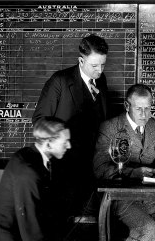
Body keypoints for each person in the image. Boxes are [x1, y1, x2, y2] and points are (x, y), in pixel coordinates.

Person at [32, 34, 109, 216]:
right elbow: (40, 120)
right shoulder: (60, 81)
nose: (99, 70)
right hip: (63, 169)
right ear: (81, 61)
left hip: (93, 167)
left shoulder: (101, 80)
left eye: (103, 64)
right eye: (94, 65)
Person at [93, 84, 155, 241]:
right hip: (121, 197)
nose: (144, 114)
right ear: (127, 106)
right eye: (139, 109)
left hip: (153, 198)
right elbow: (99, 169)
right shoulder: (110, 128)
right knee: (148, 228)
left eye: (148, 108)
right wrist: (132, 172)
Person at [0, 117, 71, 241]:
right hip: (3, 239)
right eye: (65, 142)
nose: (69, 146)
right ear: (48, 143)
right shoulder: (27, 171)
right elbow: (30, 225)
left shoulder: (32, 155)